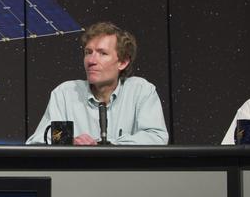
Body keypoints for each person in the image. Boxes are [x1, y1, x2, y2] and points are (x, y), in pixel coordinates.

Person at [26, 21, 169, 145]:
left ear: (123, 62)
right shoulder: (66, 94)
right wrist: (70, 141)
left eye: (102, 53)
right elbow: (37, 141)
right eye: (88, 52)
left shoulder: (140, 91)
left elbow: (156, 137)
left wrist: (108, 145)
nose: (91, 61)